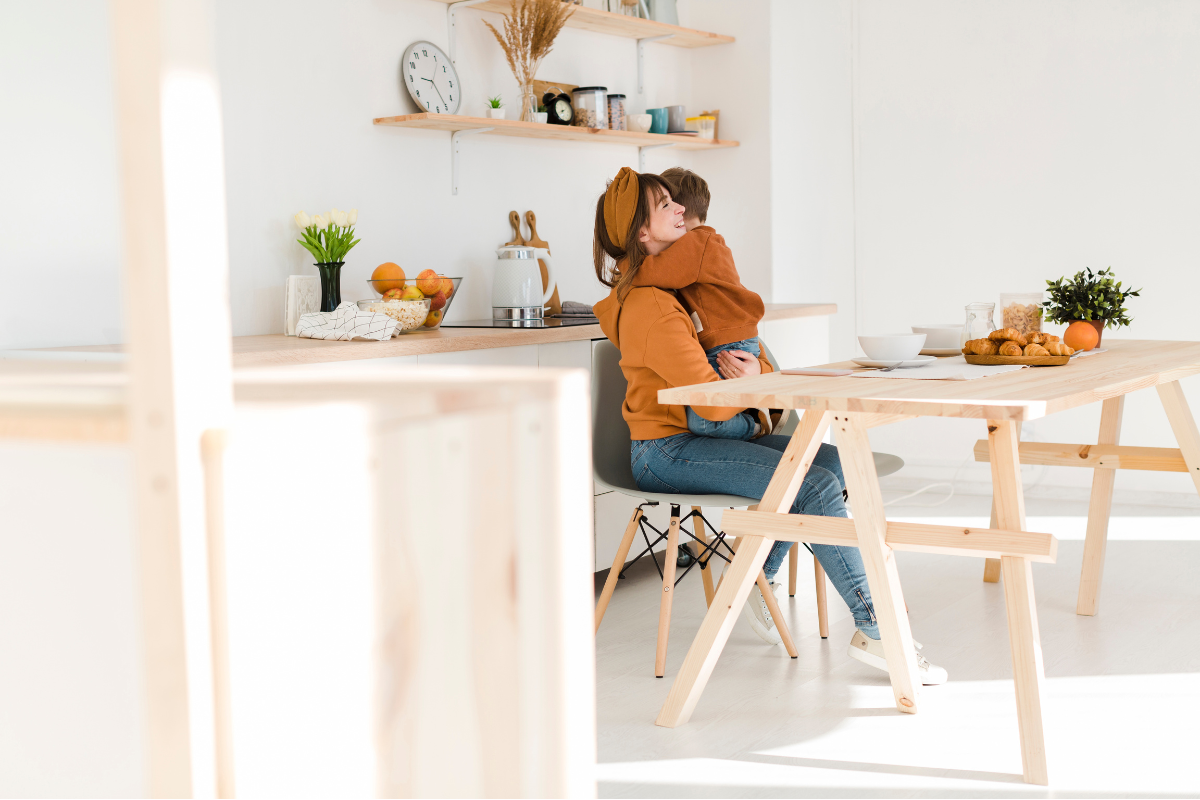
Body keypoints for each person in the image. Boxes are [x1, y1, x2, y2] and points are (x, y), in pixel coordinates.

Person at [591, 166, 947, 683]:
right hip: (666, 452)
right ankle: (878, 628)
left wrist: (759, 374)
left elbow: (751, 382)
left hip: (695, 438)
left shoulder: (677, 289)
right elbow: (713, 404)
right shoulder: (650, 305)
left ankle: (760, 573)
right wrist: (756, 389)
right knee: (812, 482)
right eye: (664, 205)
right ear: (641, 233)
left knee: (832, 462)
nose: (679, 211)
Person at [635, 167, 774, 441]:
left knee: (706, 423)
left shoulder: (696, 244)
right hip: (736, 340)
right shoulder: (706, 242)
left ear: (680, 211)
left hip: (727, 344)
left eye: (668, 204)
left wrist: (624, 266)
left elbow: (654, 271)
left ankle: (756, 425)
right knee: (706, 420)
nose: (671, 210)